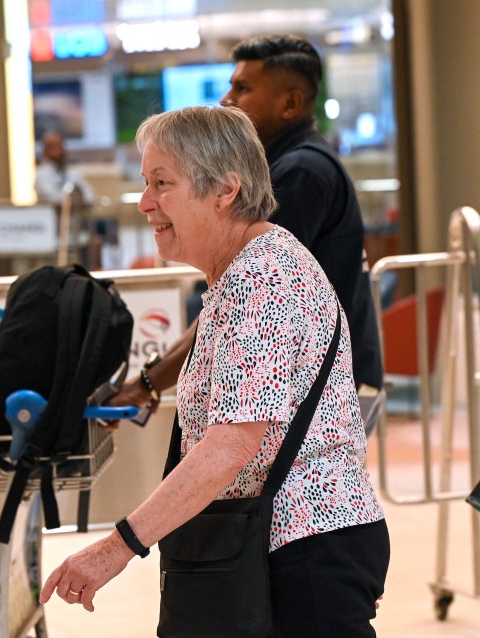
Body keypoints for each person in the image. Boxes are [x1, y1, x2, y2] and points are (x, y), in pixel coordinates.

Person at [40, 106, 389, 636]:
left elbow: (231, 445)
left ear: (225, 191)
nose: (145, 202)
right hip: (272, 541)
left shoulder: (265, 279)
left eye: (163, 183)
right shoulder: (240, 273)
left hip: (304, 548)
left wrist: (118, 548)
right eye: (145, 182)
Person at [112, 34, 384, 432]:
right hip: (322, 378)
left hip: (325, 386)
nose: (227, 98)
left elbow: (242, 285)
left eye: (243, 88)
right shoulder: (297, 163)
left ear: (290, 103)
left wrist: (146, 384)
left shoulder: (300, 174)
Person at [34, 130, 95, 206]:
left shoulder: (72, 172)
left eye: (60, 146)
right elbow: (51, 197)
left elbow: (89, 195)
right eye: (53, 147)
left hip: (76, 215)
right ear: (45, 150)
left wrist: (78, 198)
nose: (58, 151)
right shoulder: (41, 174)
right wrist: (70, 198)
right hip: (52, 216)